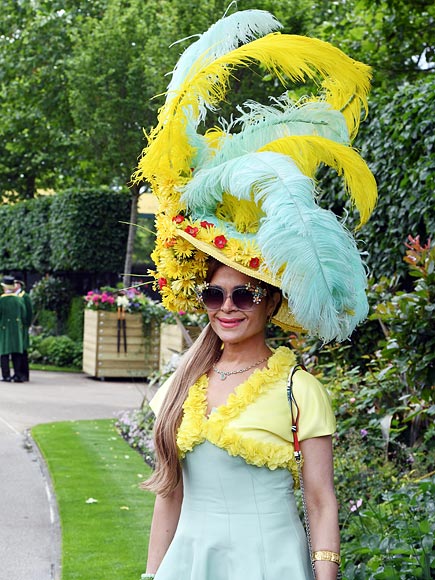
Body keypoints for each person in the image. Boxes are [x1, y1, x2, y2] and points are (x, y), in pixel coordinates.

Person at [133, 9, 377, 580]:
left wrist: (326, 574)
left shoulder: (300, 389)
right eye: (213, 296)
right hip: (187, 566)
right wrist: (150, 575)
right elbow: (168, 498)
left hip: (269, 565)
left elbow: (321, 501)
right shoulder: (181, 385)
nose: (227, 308)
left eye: (243, 295)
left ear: (269, 301)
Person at [0, 275, 26, 382]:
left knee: (4, 352)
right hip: (16, 328)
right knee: (16, 352)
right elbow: (24, 315)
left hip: (4, 327)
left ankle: (6, 375)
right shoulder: (19, 300)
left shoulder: (1, 300)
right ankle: (17, 374)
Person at [15, 279, 33, 381]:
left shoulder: (24, 296)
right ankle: (19, 373)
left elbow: (29, 312)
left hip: (22, 327)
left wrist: (26, 324)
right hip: (16, 327)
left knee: (23, 351)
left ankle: (24, 374)